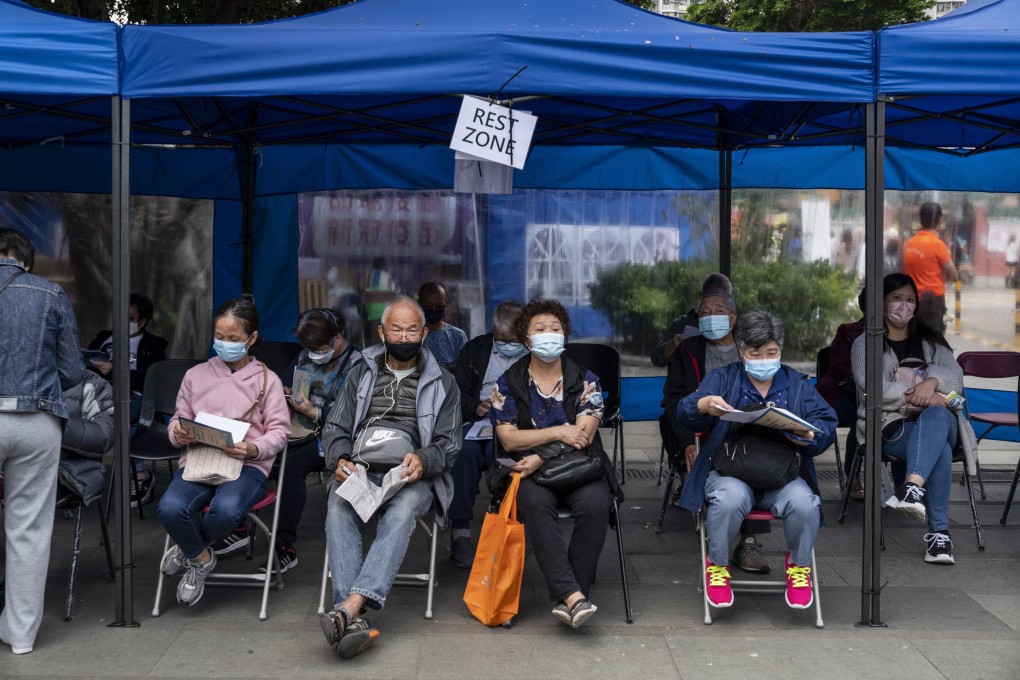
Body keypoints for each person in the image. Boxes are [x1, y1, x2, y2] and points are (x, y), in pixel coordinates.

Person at [319, 296, 461, 659]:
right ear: (381, 331)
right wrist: (338, 457)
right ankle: (352, 618)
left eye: (412, 329)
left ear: (425, 333)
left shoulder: (444, 381)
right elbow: (335, 425)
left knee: (402, 510)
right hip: (362, 467)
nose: (403, 336)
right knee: (338, 505)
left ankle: (349, 607)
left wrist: (425, 459)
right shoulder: (360, 371)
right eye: (395, 328)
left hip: (413, 474)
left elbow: (450, 443)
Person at [677, 309, 836, 611]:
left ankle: (799, 567)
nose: (764, 359)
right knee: (728, 499)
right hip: (731, 473)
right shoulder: (723, 378)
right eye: (756, 352)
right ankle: (718, 567)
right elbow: (685, 412)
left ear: (781, 350)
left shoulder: (797, 384)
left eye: (771, 352)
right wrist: (704, 403)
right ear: (741, 351)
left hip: (783, 477)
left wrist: (809, 433)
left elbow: (826, 422)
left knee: (805, 503)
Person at [491, 299, 620, 629]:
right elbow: (508, 440)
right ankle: (574, 597)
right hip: (527, 472)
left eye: (555, 329)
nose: (549, 334)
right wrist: (561, 430)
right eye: (540, 329)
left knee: (596, 503)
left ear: (565, 336)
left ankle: (570, 595)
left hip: (581, 466)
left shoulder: (586, 379)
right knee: (533, 502)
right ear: (526, 340)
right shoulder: (507, 383)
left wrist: (540, 452)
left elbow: (585, 436)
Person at [157, 297, 290, 607]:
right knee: (169, 508)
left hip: (246, 466)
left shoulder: (267, 380)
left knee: (228, 511)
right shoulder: (196, 375)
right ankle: (201, 558)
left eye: (234, 339)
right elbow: (178, 418)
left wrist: (254, 448)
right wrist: (177, 432)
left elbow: (280, 432)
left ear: (252, 339)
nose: (225, 344)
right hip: (199, 459)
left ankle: (190, 549)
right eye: (219, 337)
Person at [850, 273, 977, 565]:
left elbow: (955, 378)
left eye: (909, 300)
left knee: (935, 416)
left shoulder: (931, 339)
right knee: (939, 450)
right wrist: (916, 395)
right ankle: (938, 536)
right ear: (880, 304)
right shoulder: (865, 344)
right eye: (896, 299)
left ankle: (911, 488)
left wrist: (931, 383)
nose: (903, 306)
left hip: (942, 422)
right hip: (891, 427)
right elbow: (872, 389)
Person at [225, 307, 362, 575]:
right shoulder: (305, 356)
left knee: (291, 466)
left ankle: (284, 546)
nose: (313, 354)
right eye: (309, 348)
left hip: (334, 436)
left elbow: (357, 415)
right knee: (246, 448)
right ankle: (234, 521)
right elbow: (282, 385)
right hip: (298, 428)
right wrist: (283, 393)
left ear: (336, 338)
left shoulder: (358, 365)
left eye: (319, 347)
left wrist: (316, 412)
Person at [0, 228, 84, 655]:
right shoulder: (49, 293)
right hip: (36, 420)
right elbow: (72, 373)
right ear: (25, 261)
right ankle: (20, 637)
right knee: (28, 530)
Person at [663, 290, 772, 574]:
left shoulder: (749, 347)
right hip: (705, 430)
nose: (711, 316)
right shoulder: (688, 350)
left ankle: (747, 540)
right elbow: (675, 398)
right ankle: (725, 541)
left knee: (757, 457)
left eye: (719, 310)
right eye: (705, 312)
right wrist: (687, 441)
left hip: (749, 430)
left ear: (733, 318)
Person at [448, 300, 526, 567]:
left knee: (501, 454)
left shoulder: (532, 353)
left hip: (514, 426)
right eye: (502, 340)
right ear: (493, 334)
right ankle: (460, 533)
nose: (508, 345)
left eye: (514, 340)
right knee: (464, 454)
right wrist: (476, 406)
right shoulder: (475, 350)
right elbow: (457, 392)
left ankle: (504, 526)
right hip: (477, 422)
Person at [88, 292, 169, 507]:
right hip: (97, 394)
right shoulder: (103, 338)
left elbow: (153, 377)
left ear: (143, 322)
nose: (124, 322)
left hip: (134, 397)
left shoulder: (152, 345)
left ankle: (140, 475)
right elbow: (84, 365)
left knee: (120, 417)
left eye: (130, 318)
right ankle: (75, 474)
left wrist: (117, 371)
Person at [816, 288, 867, 498]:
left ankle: (904, 485)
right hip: (842, 394)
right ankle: (852, 476)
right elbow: (838, 368)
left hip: (883, 397)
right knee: (862, 419)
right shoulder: (848, 331)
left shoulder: (901, 337)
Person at [650, 272, 732, 368]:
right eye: (709, 296)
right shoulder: (682, 324)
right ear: (700, 296)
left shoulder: (735, 328)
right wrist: (674, 345)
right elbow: (656, 359)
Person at [903, 201, 958, 335]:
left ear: (921, 220)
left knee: (915, 338)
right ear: (940, 220)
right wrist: (947, 278)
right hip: (933, 301)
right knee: (933, 340)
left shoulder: (909, 244)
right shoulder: (937, 244)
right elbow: (954, 275)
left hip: (912, 299)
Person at [418, 281, 468, 369]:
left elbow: (465, 373)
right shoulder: (409, 335)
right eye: (428, 306)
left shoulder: (457, 337)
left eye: (439, 306)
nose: (433, 310)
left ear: (446, 304)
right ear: (420, 304)